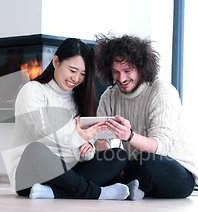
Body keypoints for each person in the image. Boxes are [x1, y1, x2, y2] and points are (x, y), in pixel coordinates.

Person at [9, 38, 141, 200]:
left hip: (67, 173)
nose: (76, 78)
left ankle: (53, 192)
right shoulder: (32, 90)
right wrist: (77, 136)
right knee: (36, 149)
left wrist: (88, 147)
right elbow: (41, 133)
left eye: (83, 74)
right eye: (72, 70)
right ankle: (97, 192)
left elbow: (78, 152)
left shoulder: (78, 99)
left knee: (118, 156)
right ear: (56, 62)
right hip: (31, 174)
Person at [93, 34, 198, 199]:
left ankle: (125, 187)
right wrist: (111, 161)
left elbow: (162, 147)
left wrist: (129, 136)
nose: (121, 78)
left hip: (176, 170)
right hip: (137, 166)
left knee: (148, 162)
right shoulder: (109, 95)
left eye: (127, 71)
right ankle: (132, 188)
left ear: (141, 67)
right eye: (115, 72)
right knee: (111, 158)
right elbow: (99, 139)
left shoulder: (161, 91)